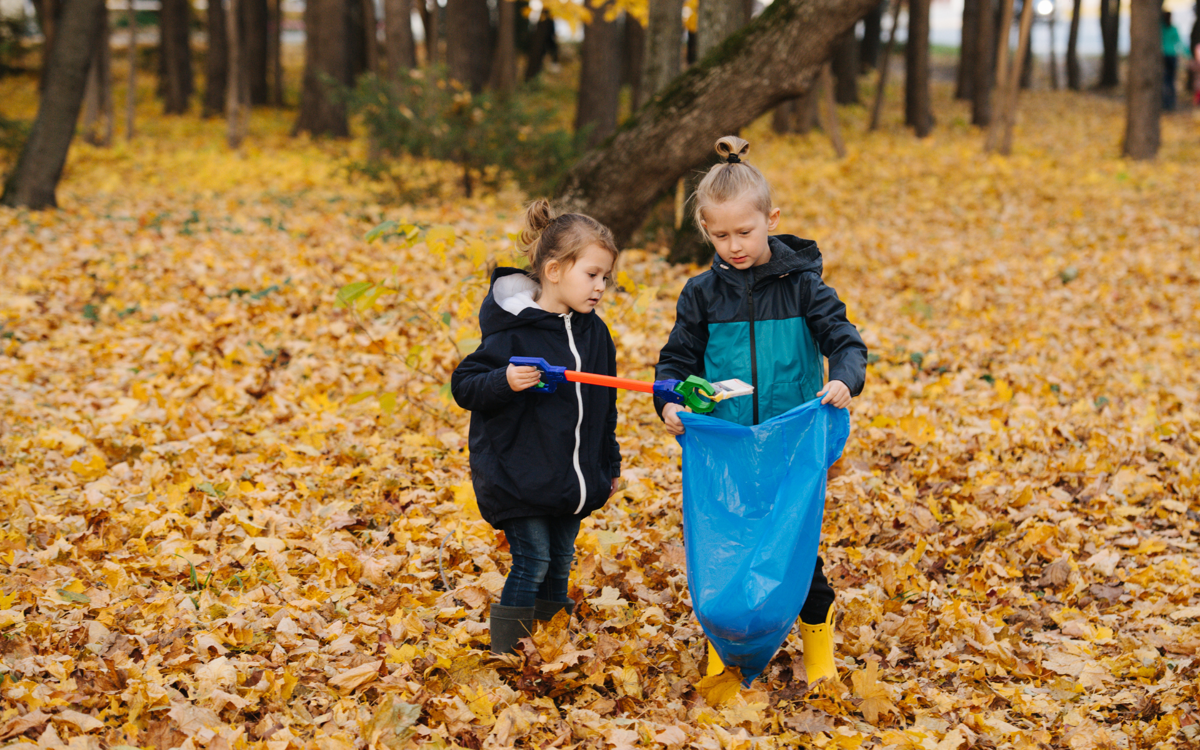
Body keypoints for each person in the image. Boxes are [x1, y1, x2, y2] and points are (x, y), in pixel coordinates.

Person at [655, 136, 868, 686]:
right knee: (723, 548)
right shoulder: (701, 294)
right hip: (724, 445)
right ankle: (724, 657)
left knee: (796, 552)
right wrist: (669, 401)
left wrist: (844, 380)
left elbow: (845, 341)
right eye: (720, 235)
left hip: (791, 443)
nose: (734, 245)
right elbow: (675, 361)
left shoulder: (802, 287)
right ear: (706, 231)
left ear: (770, 219)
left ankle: (819, 656)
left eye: (745, 232)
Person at [451, 199, 622, 654]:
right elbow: (465, 385)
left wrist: (610, 463)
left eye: (605, 277)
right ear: (553, 271)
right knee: (533, 559)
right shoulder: (512, 332)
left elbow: (606, 405)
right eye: (591, 275)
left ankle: (548, 649)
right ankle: (508, 654)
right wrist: (505, 380)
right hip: (518, 473)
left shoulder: (596, 334)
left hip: (572, 477)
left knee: (561, 559)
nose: (599, 287)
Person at [1162, 11, 1188, 111]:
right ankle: (1171, 102)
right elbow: (1180, 43)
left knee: (1165, 80)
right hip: (1172, 56)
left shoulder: (1161, 29)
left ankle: (1166, 103)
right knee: (1171, 80)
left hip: (1163, 56)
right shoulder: (1173, 29)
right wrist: (1188, 55)